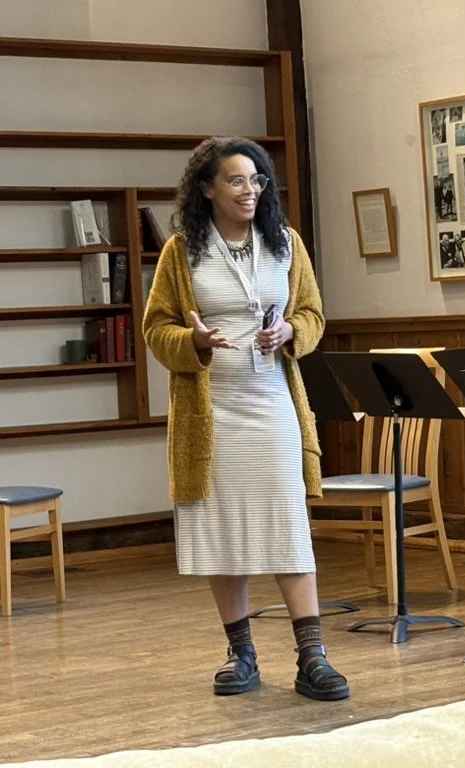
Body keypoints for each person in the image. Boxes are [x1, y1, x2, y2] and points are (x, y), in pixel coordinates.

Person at [142, 136, 349, 701]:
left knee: (288, 527)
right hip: (211, 414)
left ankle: (313, 656)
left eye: (257, 180)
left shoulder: (285, 243)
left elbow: (313, 313)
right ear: (206, 189)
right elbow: (156, 329)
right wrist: (194, 341)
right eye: (236, 180)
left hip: (273, 407)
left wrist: (290, 331)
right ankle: (241, 653)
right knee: (221, 533)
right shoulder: (181, 251)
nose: (250, 190)